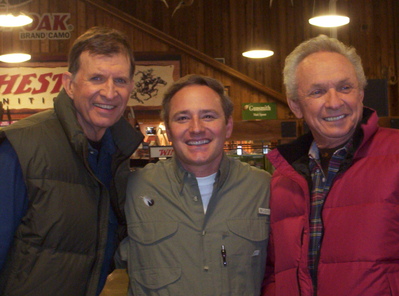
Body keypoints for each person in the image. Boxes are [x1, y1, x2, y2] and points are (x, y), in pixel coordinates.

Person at [0, 27, 143, 296]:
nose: (110, 92)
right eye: (97, 78)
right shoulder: (20, 148)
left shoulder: (116, 158)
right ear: (69, 84)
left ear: (131, 88)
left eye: (120, 81)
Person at [262, 34, 399, 296]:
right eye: (317, 91)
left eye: (345, 87)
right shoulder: (283, 181)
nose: (334, 102)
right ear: (296, 106)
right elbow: (274, 271)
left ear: (360, 93)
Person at [120, 74, 271, 295]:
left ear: (228, 126)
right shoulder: (133, 190)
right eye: (182, 118)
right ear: (169, 130)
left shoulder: (264, 189)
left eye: (208, 116)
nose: (196, 128)